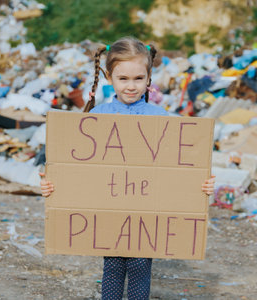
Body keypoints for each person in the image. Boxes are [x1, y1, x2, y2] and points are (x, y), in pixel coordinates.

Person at [40, 36, 215, 300]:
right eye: (123, 79)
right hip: (111, 212)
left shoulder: (162, 120)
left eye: (138, 78)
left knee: (140, 265)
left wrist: (199, 185)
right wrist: (54, 186)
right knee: (112, 267)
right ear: (110, 77)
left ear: (148, 78)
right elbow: (77, 171)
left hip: (147, 214)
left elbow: (178, 170)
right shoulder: (97, 117)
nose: (131, 86)